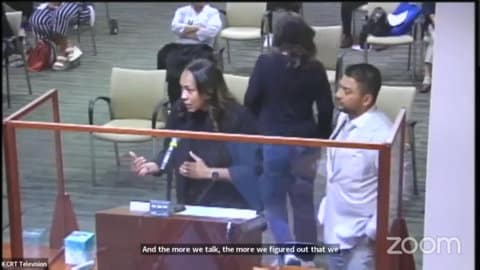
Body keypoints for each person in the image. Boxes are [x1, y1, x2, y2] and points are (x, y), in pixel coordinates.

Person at [244, 12, 334, 267]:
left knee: (273, 201)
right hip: (305, 143)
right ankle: (307, 257)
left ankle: (287, 251)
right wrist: (320, 140)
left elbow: (250, 100)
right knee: (303, 200)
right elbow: (326, 109)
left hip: (272, 142)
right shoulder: (315, 69)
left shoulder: (265, 63)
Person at [131, 59, 262, 210]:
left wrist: (209, 173)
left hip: (229, 203)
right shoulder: (179, 111)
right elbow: (171, 148)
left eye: (189, 90)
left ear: (208, 91)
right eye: (182, 89)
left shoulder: (238, 118)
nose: (183, 96)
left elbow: (251, 169)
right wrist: (154, 165)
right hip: (189, 201)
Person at [318, 63, 392, 270]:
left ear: (367, 99)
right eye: (339, 88)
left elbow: (392, 191)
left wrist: (372, 231)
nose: (338, 95)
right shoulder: (343, 117)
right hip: (334, 226)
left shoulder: (381, 135)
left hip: (360, 237)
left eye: (347, 91)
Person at [157, 2, 222, 104]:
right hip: (180, 45)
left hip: (202, 46)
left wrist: (185, 31)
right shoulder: (182, 11)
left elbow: (212, 31)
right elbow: (175, 27)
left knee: (196, 63)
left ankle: (197, 95)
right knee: (167, 56)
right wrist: (198, 28)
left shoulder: (213, 13)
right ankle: (175, 98)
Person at [29, 2, 95, 71]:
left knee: (61, 14)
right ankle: (67, 45)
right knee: (37, 19)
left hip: (79, 7)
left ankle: (62, 51)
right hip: (52, 5)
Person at [419, 2, 435, 93]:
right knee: (436, 40)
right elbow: (428, 11)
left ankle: (427, 77)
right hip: (433, 24)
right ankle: (428, 76)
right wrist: (436, 21)